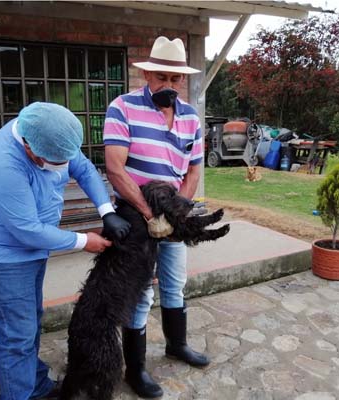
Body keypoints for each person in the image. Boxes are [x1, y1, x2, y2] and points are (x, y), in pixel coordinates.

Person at [0, 102, 131, 400]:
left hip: (34, 249)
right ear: (29, 147)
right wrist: (84, 241)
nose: (59, 168)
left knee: (31, 320)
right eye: (52, 162)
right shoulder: (1, 165)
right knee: (17, 335)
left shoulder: (53, 135)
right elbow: (27, 230)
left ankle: (37, 385)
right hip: (4, 256)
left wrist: (106, 210)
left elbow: (83, 168)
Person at [103, 36, 208, 398]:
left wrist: (177, 212)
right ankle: (136, 369)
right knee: (140, 292)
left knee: (175, 283)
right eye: (161, 77)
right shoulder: (123, 107)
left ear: (183, 81)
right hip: (136, 214)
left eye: (175, 79)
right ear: (147, 74)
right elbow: (115, 169)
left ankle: (176, 345)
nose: (168, 85)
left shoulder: (191, 116)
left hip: (172, 215)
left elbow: (193, 171)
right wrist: (150, 214)